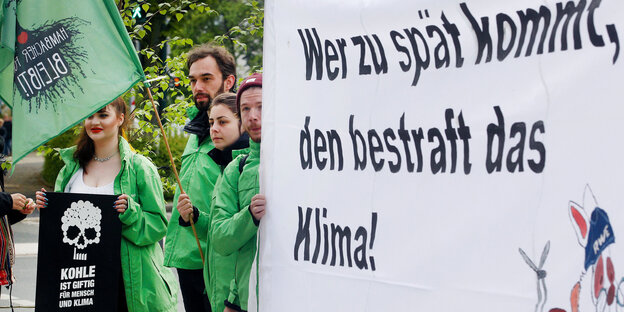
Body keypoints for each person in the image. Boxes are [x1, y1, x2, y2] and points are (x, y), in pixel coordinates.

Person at [35, 98, 178, 312]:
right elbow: (63, 234)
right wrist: (49, 208)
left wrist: (131, 214)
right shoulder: (70, 169)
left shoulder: (140, 168)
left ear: (120, 118)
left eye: (103, 115)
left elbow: (158, 226)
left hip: (127, 285)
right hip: (81, 284)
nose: (94, 121)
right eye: (90, 115)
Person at [163, 44, 236, 312]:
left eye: (206, 78)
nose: (197, 87)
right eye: (193, 80)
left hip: (218, 262)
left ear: (228, 81)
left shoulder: (237, 139)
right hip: (189, 258)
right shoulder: (196, 132)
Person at [177, 92, 249, 312]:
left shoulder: (246, 168)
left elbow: (246, 237)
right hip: (220, 292)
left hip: (237, 297)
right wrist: (195, 217)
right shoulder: (224, 165)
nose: (214, 129)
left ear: (243, 124)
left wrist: (233, 300)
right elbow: (222, 228)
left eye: (223, 122)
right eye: (211, 123)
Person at [211, 73, 265, 312]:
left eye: (262, 107)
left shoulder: (303, 163)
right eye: (245, 109)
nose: (253, 116)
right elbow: (220, 238)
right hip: (245, 302)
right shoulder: (236, 169)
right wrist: (250, 216)